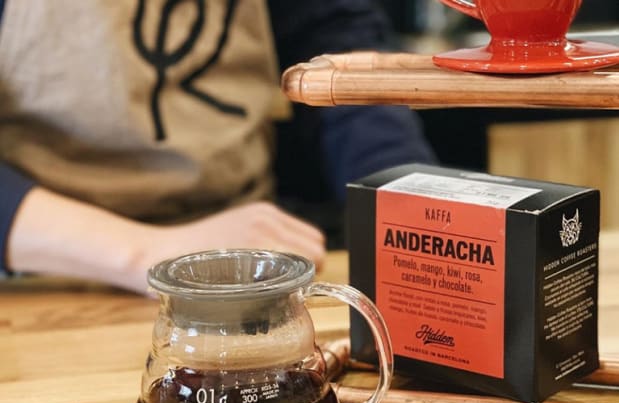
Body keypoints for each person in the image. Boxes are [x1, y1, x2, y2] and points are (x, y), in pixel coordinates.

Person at [0, 0, 437, 294]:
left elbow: (334, 44)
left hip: (247, 263)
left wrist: (408, 212)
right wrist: (145, 252)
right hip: (46, 271)